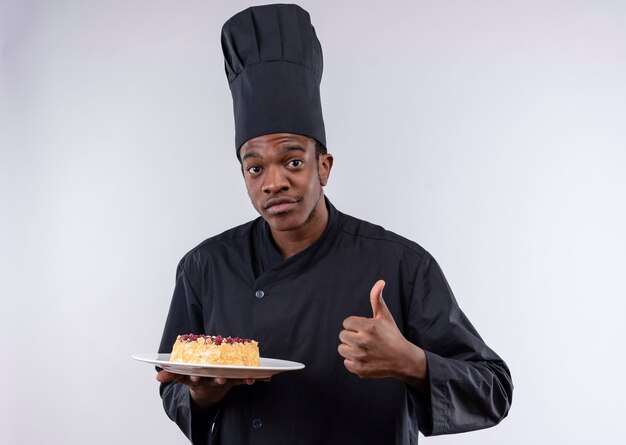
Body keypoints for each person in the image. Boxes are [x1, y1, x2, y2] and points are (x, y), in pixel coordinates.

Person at [156, 4, 513, 444]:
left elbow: (494, 390)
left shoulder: (400, 264)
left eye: (292, 161)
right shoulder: (205, 267)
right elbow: (172, 385)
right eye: (255, 168)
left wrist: (413, 362)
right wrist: (202, 395)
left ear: (323, 167)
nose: (273, 183)